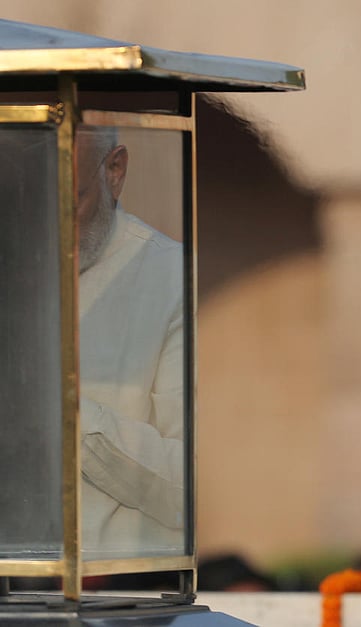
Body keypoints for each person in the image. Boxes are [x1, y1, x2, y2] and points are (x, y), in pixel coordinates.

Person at [76, 127, 185, 558]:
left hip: (115, 595)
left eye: (69, 203)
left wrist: (64, 416)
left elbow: (189, 489)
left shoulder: (174, 280)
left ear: (115, 170)